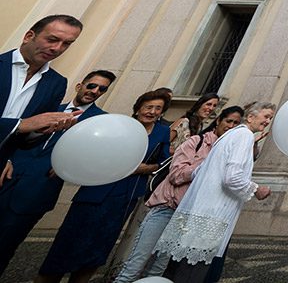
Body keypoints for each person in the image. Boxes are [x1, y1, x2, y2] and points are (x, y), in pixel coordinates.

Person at [36, 88, 172, 283]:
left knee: (99, 247)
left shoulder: (162, 132)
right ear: (138, 108)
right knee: (69, 242)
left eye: (158, 108)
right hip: (95, 191)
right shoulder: (118, 125)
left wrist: (142, 168)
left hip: (125, 197)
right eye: (148, 107)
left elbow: (163, 163)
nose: (152, 111)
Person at [0, 69, 114, 275]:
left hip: (38, 190)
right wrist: (7, 158)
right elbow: (16, 133)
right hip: (6, 178)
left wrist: (71, 166)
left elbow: (95, 157)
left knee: (5, 246)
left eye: (101, 89)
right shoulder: (50, 108)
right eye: (92, 85)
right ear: (80, 86)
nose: (95, 91)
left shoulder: (99, 122)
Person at [113, 106, 244, 283]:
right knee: (135, 265)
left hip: (187, 216)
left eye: (236, 123)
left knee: (158, 269)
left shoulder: (230, 152)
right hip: (167, 208)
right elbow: (176, 175)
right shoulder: (196, 142)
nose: (231, 126)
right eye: (229, 121)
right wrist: (206, 168)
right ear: (219, 121)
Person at [155, 101, 275, 283]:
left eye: (270, 118)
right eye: (266, 116)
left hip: (197, 211)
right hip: (211, 215)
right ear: (250, 117)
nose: (268, 121)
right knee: (192, 274)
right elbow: (232, 178)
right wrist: (257, 189)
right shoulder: (244, 136)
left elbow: (199, 171)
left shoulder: (228, 136)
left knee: (177, 270)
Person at [1, 15, 83, 166]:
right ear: (28, 36)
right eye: (52, 39)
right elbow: (25, 125)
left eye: (66, 44)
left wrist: (42, 130)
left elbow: (25, 143)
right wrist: (20, 125)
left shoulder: (57, 83)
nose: (57, 48)